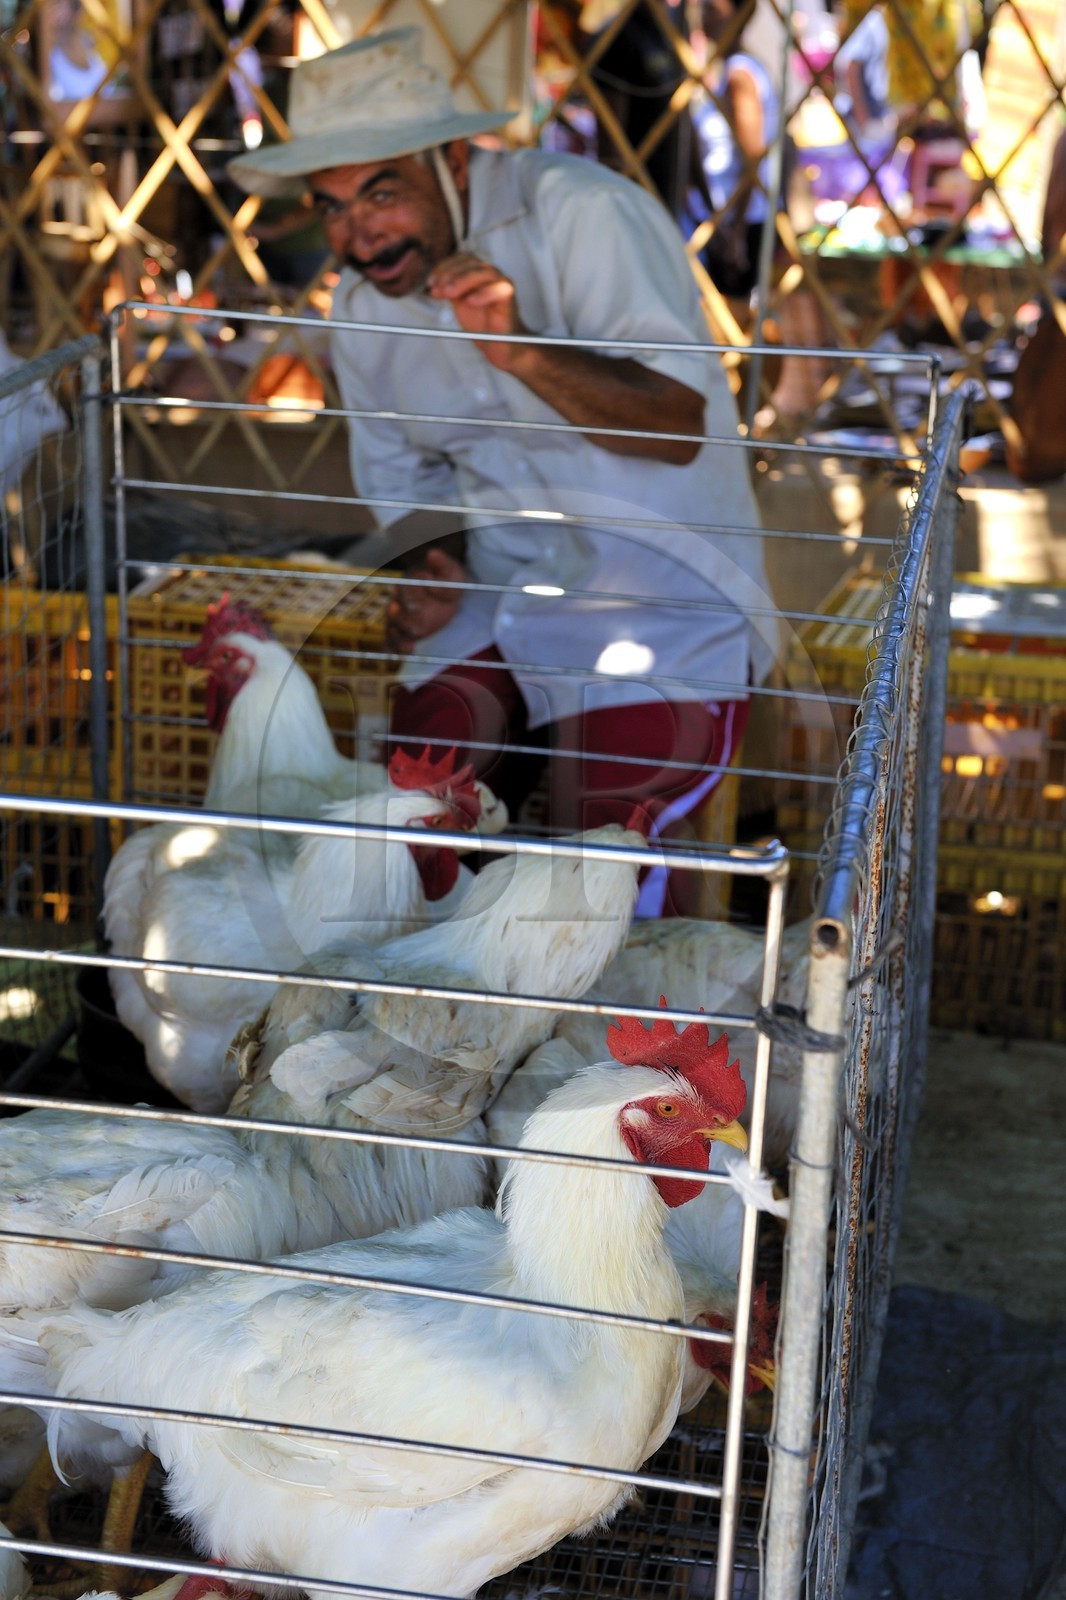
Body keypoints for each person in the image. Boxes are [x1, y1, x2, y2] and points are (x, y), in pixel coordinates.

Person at [230, 28, 776, 914]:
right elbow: (405, 483)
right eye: (331, 206)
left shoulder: (582, 215)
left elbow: (680, 426)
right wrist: (431, 567)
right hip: (499, 590)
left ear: (452, 160)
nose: (358, 235)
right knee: (408, 818)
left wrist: (522, 351)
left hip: (656, 605)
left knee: (602, 872)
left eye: (382, 191)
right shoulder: (366, 311)